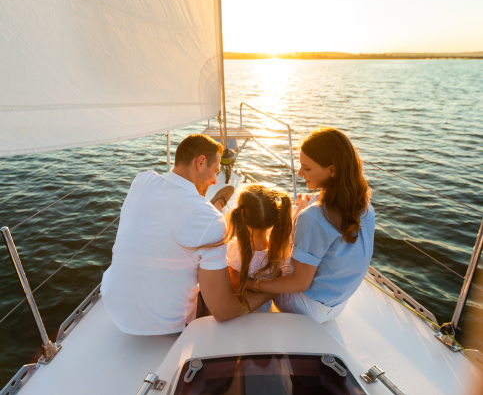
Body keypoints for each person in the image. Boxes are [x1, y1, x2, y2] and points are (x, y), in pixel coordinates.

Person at [101, 134, 274, 335]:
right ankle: (215, 207)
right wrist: (269, 292)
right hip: (167, 325)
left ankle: (215, 206)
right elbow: (223, 310)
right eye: (215, 171)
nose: (214, 180)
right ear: (200, 162)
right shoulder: (211, 222)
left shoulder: (142, 180)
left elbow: (169, 210)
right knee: (220, 278)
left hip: (113, 305)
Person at [245, 127, 375, 323]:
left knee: (261, 251)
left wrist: (251, 285)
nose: (299, 173)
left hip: (305, 308)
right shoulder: (364, 204)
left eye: (307, 168)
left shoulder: (314, 218)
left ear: (332, 170)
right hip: (337, 305)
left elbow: (299, 283)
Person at [222, 184, 293, 312]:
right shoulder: (279, 250)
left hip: (242, 310)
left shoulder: (234, 248)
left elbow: (233, 283)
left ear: (241, 216)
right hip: (264, 308)